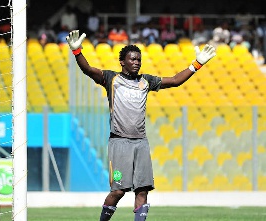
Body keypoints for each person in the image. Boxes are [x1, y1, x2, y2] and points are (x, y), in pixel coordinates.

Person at [66, 30, 216, 221]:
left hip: (141, 143)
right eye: (132, 59)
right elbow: (88, 70)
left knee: (142, 190)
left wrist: (197, 64)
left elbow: (175, 81)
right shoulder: (111, 79)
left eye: (139, 59)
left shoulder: (146, 81)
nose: (136, 62)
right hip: (119, 143)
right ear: (122, 62)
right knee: (119, 191)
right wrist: (77, 52)